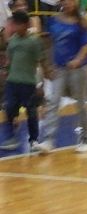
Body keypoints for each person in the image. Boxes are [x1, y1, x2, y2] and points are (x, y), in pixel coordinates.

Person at [33, 0, 87, 154]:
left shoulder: (81, 22)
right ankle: (48, 140)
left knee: (81, 104)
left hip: (79, 69)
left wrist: (77, 60)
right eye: (65, 0)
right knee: (53, 102)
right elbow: (50, 43)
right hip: (59, 68)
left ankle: (86, 139)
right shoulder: (53, 20)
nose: (68, 3)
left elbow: (85, 45)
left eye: (71, 1)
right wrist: (48, 64)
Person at [0, 10, 45, 151]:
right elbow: (9, 60)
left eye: (18, 24)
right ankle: (10, 137)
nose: (15, 27)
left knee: (31, 112)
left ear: (26, 25)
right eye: (14, 24)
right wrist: (5, 71)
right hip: (13, 82)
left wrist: (39, 84)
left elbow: (39, 63)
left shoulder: (34, 41)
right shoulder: (12, 41)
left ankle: (34, 140)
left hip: (29, 83)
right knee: (10, 107)